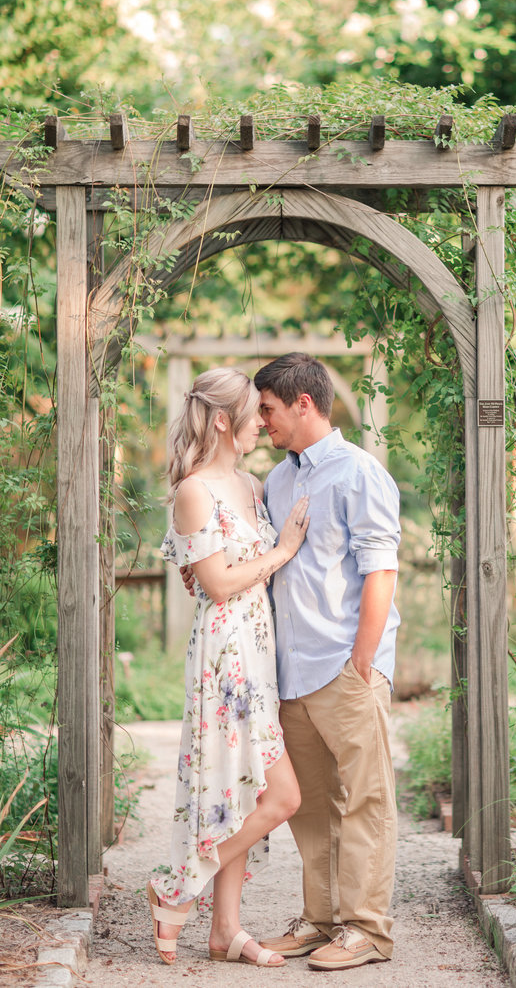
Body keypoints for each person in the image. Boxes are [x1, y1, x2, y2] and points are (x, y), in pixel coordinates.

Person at [148, 366, 310, 968]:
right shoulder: (195, 491)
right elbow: (214, 584)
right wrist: (283, 551)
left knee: (241, 793)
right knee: (282, 796)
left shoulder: (250, 484)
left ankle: (225, 930)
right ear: (222, 420)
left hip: (258, 654)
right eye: (253, 413)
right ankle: (177, 886)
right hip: (225, 658)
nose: (262, 424)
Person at [254, 352, 401, 972]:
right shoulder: (276, 481)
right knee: (312, 808)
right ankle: (321, 921)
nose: (262, 420)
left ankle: (367, 930)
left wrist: (362, 660)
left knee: (366, 800)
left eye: (268, 409)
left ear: (303, 403)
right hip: (293, 673)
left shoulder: (359, 473)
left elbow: (381, 570)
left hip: (345, 667)